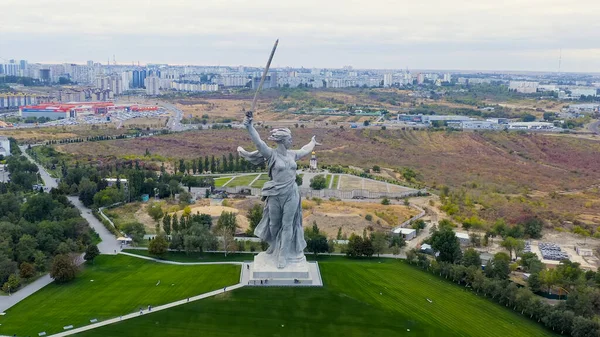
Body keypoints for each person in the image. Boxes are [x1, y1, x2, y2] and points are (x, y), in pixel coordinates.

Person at [238, 114, 320, 268]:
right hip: (275, 194)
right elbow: (259, 143)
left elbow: (304, 150)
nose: (292, 141)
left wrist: (312, 142)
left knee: (288, 224)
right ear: (282, 141)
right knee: (273, 225)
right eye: (289, 139)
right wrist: (249, 127)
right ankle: (275, 245)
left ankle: (283, 255)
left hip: (291, 193)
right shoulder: (271, 155)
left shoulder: (292, 154)